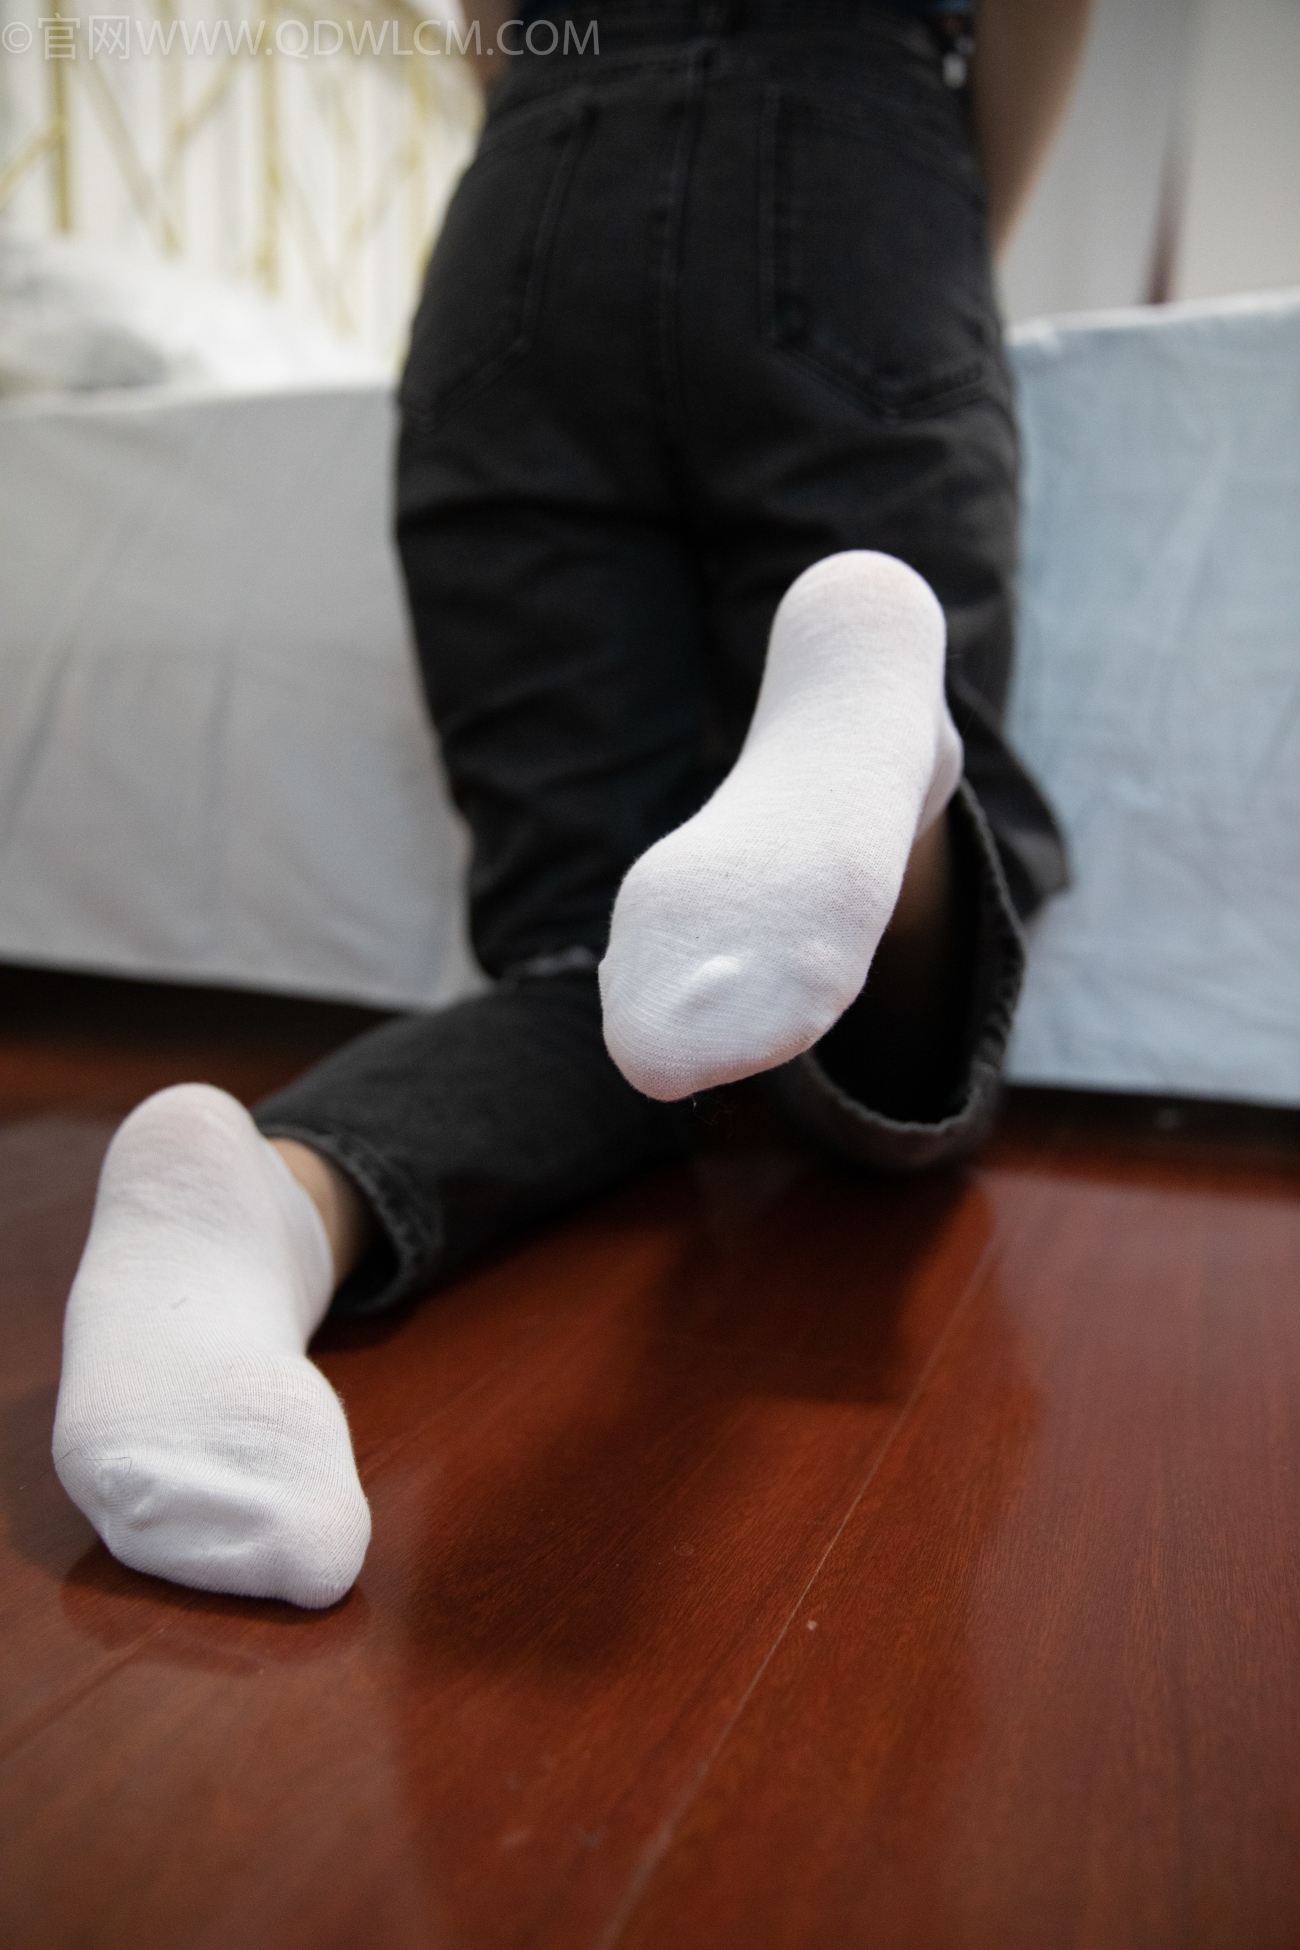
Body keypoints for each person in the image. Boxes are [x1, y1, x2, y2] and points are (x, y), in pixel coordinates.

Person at [52, 0, 1094, 1608]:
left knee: (574, 960)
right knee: (898, 1108)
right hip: (856, 131)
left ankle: (260, 1206)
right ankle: (887, 752)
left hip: (527, 195)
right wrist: (941, 219)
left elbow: (492, 24)